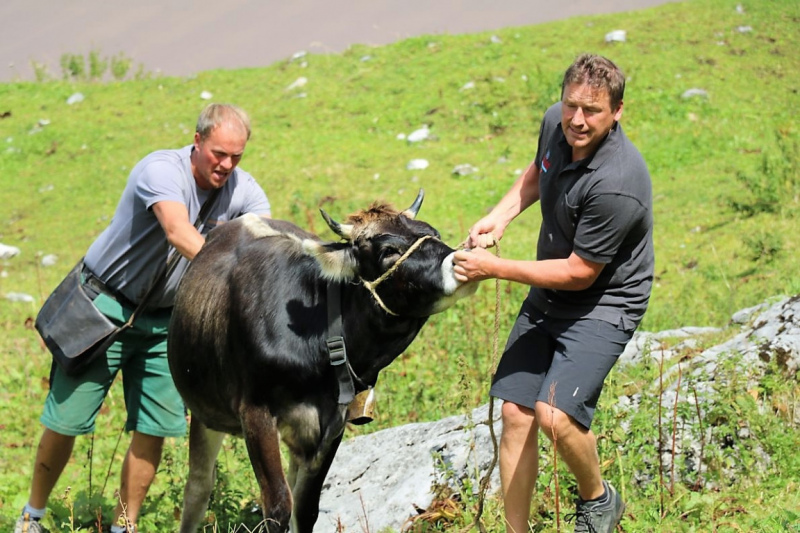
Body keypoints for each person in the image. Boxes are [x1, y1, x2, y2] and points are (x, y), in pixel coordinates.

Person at [15, 103, 272, 533]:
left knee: (153, 426)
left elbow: (262, 247)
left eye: (236, 157)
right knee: (67, 420)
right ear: (197, 141)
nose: (226, 165)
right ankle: (32, 516)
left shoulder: (245, 191)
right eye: (218, 154)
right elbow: (177, 230)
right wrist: (232, 273)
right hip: (104, 308)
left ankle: (124, 525)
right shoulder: (161, 170)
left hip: (165, 325)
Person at [453, 53, 653, 533]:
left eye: (593, 111)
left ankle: (599, 499)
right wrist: (499, 216)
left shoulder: (617, 183)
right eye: (571, 106)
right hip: (552, 288)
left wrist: (494, 268)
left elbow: (580, 273)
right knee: (515, 413)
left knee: (555, 414)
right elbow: (537, 172)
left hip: (603, 302)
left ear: (617, 111)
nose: (577, 121)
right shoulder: (556, 123)